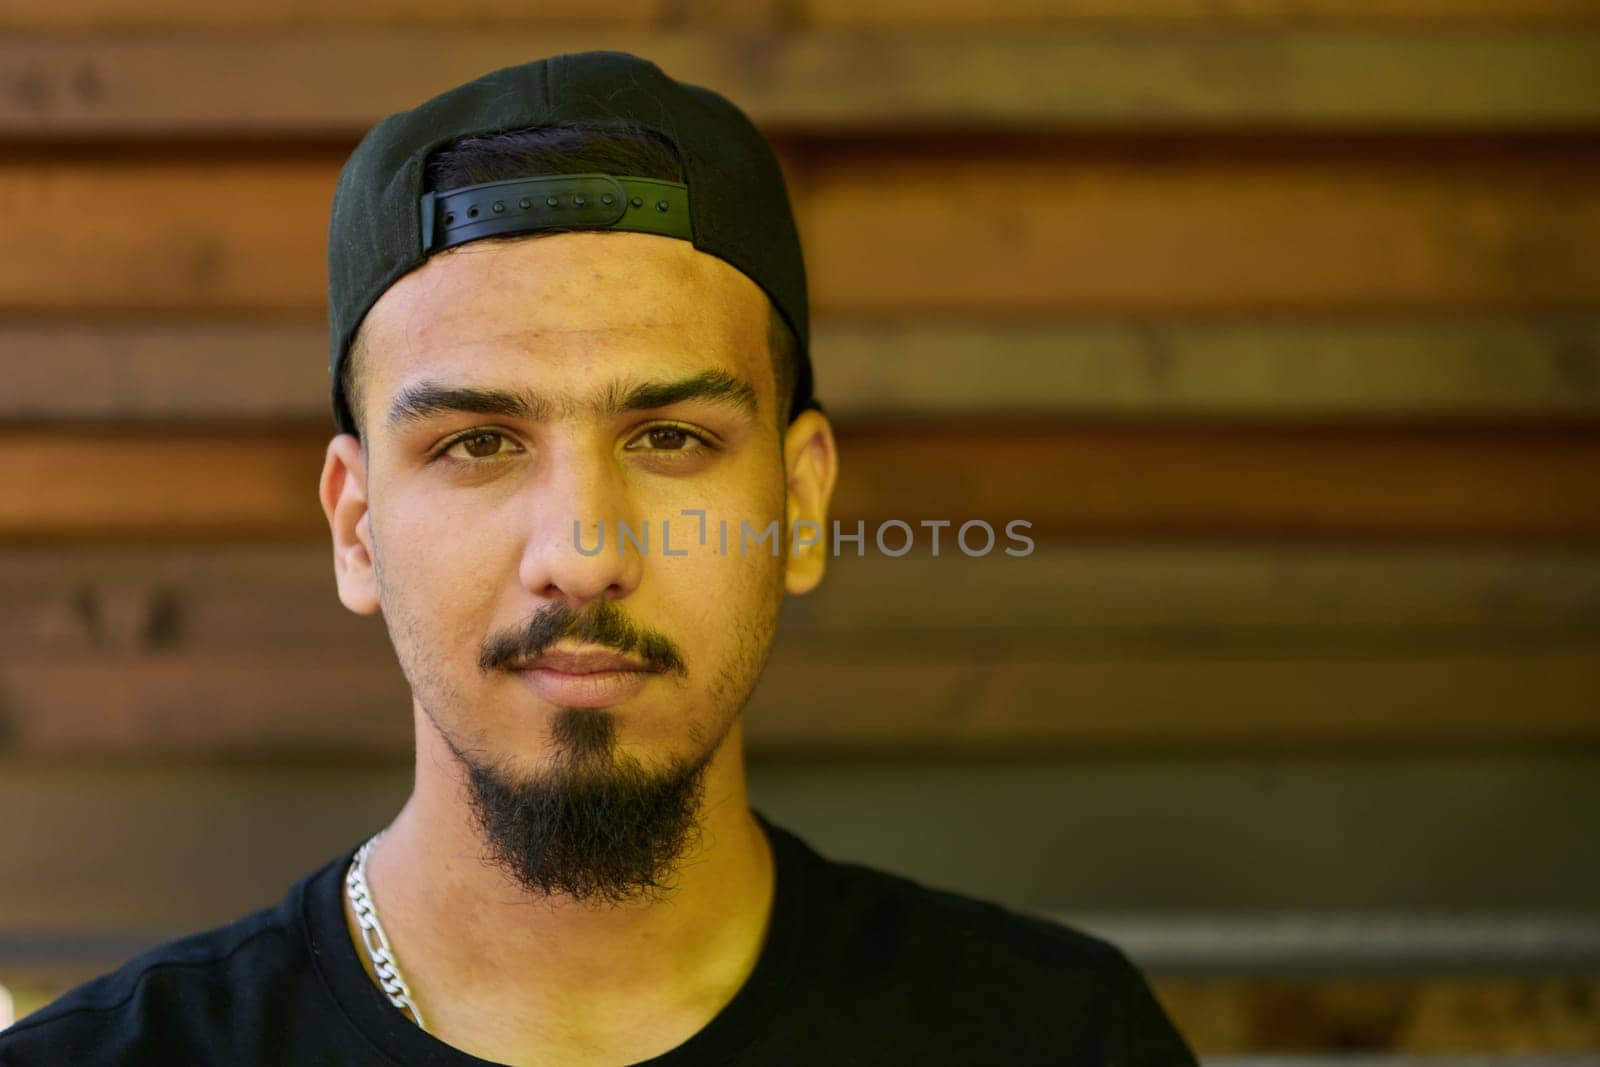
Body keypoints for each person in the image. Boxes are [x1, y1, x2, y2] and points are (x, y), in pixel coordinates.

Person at [0, 51, 1199, 1066]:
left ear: (798, 499)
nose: (580, 554)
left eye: (670, 437)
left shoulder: (1055, 1036)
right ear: (356, 526)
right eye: (476, 442)